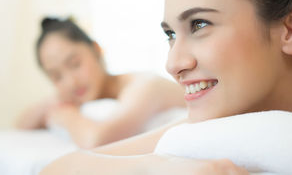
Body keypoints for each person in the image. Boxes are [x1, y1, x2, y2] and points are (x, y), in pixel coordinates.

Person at [40, 0, 292, 174]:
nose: (172, 64)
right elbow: (57, 168)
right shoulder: (222, 122)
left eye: (199, 24)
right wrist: (160, 165)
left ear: (291, 28)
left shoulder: (149, 88)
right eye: (170, 35)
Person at [17, 17, 185, 149]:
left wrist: (67, 116)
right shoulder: (81, 94)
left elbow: (97, 141)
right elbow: (22, 124)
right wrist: (55, 101)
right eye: (56, 76)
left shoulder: (145, 86)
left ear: (96, 49)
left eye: (75, 64)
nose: (71, 82)